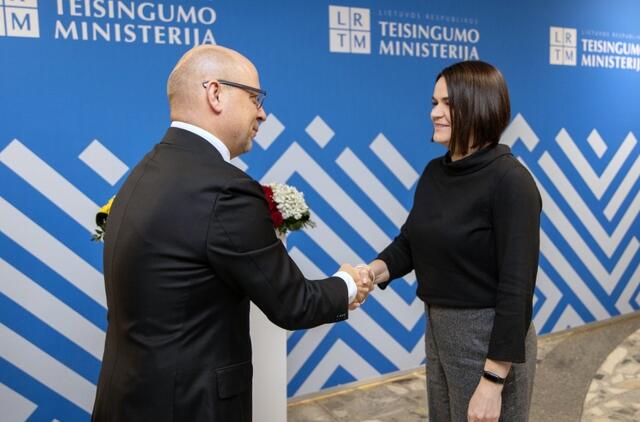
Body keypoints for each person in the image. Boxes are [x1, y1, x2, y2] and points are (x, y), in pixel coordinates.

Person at [91, 45, 373, 422]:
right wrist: (349, 283)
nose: (263, 113)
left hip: (126, 400)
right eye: (255, 98)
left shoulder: (144, 172)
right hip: (189, 407)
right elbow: (293, 303)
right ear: (215, 93)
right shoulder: (226, 190)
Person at [363, 61, 541, 422]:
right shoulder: (435, 172)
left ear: (480, 107)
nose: (435, 113)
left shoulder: (511, 181)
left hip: (488, 341)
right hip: (438, 331)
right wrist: (371, 272)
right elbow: (411, 242)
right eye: (434, 103)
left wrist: (493, 380)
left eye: (448, 104)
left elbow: (517, 290)